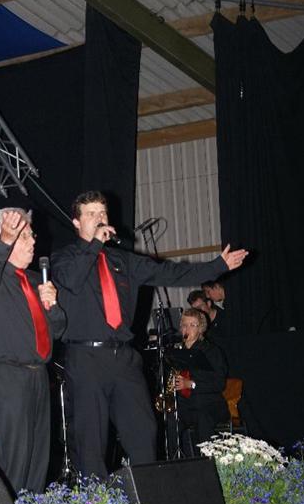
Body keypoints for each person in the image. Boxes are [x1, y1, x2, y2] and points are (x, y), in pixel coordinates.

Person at [51, 191, 248, 478]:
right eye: (91, 214)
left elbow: (171, 273)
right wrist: (94, 246)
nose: (99, 219)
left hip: (123, 357)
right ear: (76, 223)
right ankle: (97, 502)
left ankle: (149, 495)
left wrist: (218, 266)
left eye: (102, 213)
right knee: (91, 438)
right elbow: (70, 281)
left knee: (143, 429)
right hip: (85, 356)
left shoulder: (123, 260)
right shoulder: (64, 258)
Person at [0, 207, 65, 494]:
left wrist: (53, 307)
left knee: (38, 458)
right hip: (7, 374)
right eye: (24, 236)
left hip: (38, 375)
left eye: (32, 234)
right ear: (3, 239)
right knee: (15, 457)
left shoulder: (36, 280)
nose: (33, 240)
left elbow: (58, 331)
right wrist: (5, 241)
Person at [166, 308, 229, 454]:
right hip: (186, 405)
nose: (187, 329)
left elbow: (219, 383)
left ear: (201, 329)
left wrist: (191, 384)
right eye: (184, 325)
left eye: (192, 325)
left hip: (209, 404)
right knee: (169, 420)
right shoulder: (176, 352)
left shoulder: (211, 351)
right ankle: (174, 460)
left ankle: (206, 460)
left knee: (203, 418)